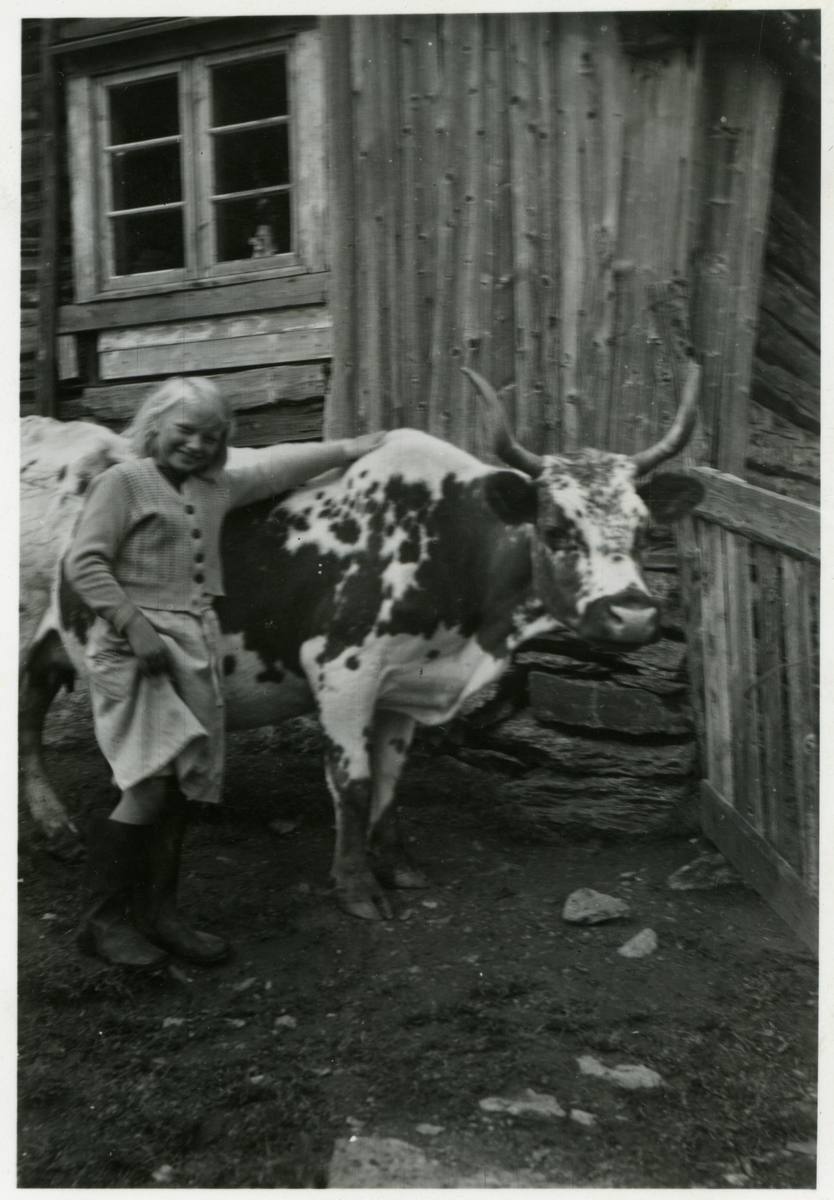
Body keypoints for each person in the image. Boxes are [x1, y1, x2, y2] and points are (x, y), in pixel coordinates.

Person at [64, 376, 385, 968]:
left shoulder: (216, 484)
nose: (197, 446)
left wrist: (352, 448)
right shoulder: (122, 483)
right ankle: (102, 921)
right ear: (156, 422)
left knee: (181, 783)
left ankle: (162, 916)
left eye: (212, 438)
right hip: (129, 648)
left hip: (189, 646)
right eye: (185, 431)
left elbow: (278, 468)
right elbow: (84, 563)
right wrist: (135, 626)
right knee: (145, 781)